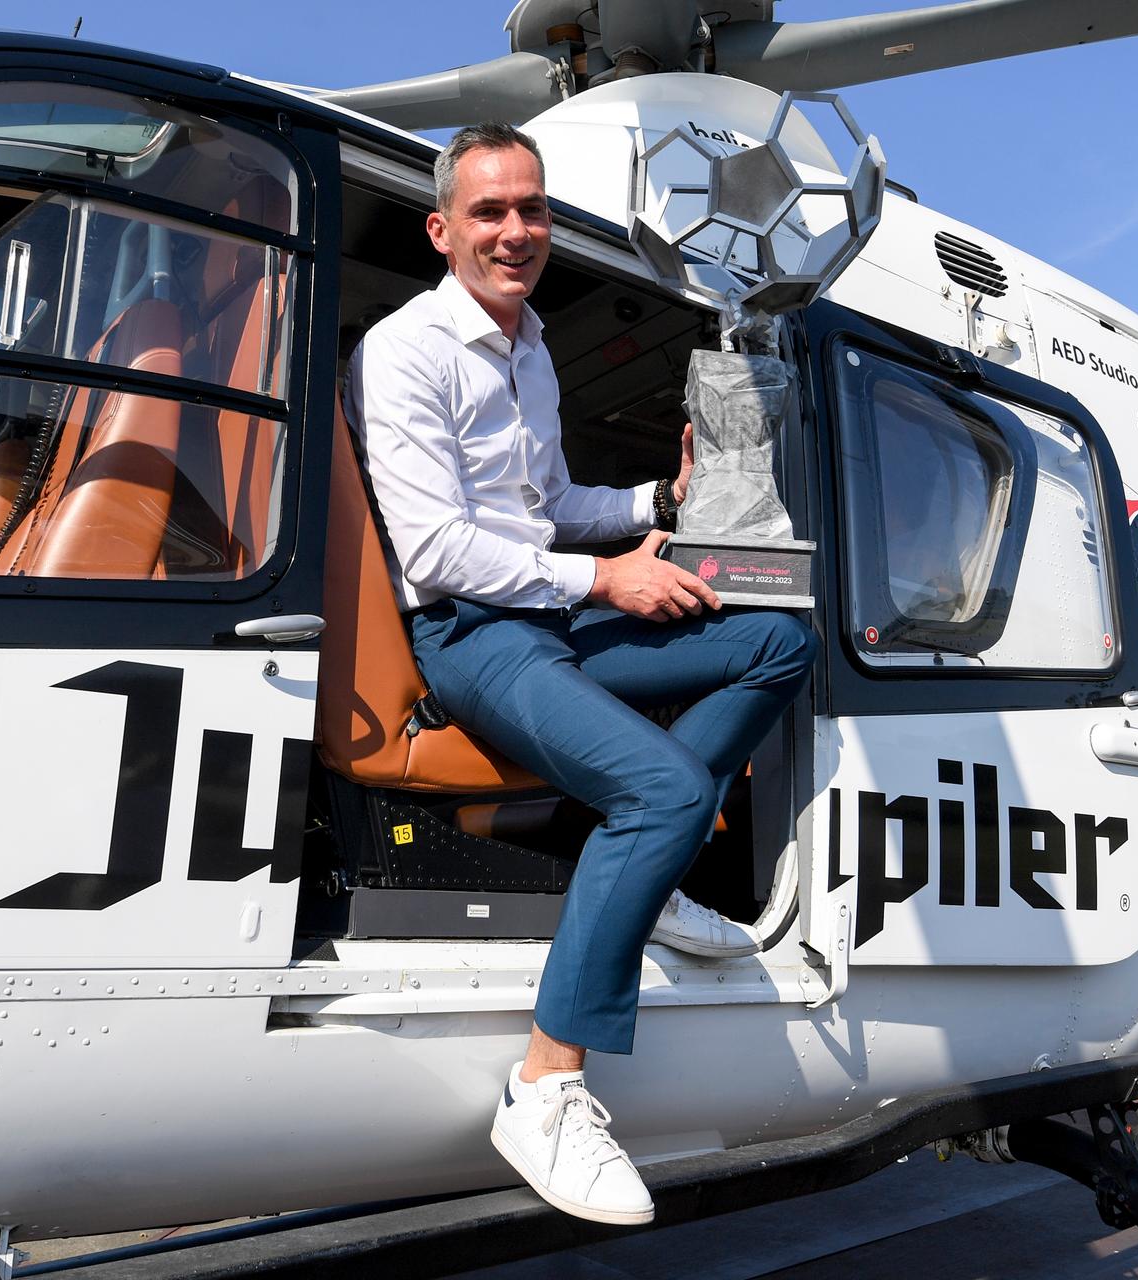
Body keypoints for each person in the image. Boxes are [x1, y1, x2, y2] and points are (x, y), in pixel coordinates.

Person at [346, 122, 818, 1225]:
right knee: (662, 789)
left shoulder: (534, 345)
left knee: (775, 641)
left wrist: (660, 501)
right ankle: (547, 1081)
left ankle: (641, 881)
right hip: (473, 634)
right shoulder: (406, 351)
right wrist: (607, 583)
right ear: (442, 229)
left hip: (548, 609)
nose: (516, 232)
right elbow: (439, 550)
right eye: (490, 212)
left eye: (533, 210)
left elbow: (550, 505)